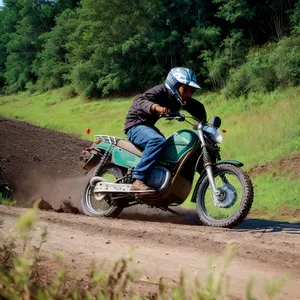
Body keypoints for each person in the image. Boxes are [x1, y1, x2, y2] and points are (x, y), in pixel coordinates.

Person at [124, 67, 207, 192]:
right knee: (157, 141)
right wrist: (155, 107)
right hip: (135, 125)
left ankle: (159, 181)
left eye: (192, 91)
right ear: (175, 85)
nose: (189, 94)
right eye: (186, 89)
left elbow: (198, 108)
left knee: (168, 148)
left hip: (148, 127)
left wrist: (204, 125)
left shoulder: (181, 99)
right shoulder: (160, 91)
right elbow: (139, 100)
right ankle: (139, 179)